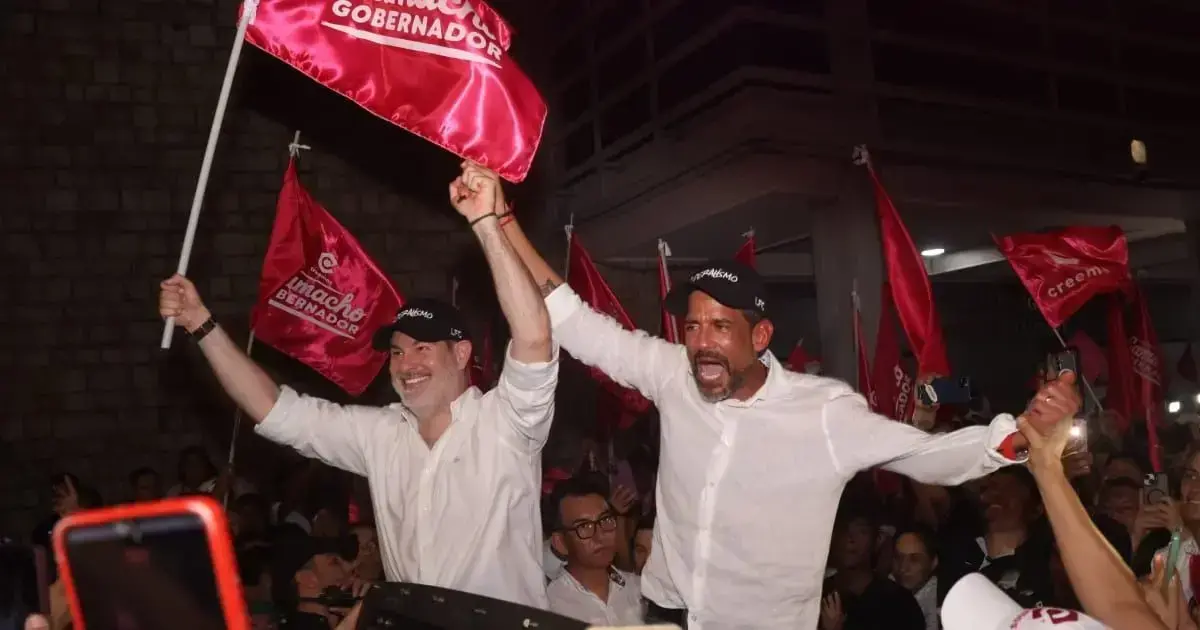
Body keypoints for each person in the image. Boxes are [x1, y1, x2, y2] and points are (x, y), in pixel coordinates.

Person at [494, 178, 1081, 627]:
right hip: (667, 614)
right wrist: (503, 223)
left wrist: (1021, 432)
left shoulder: (823, 411)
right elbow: (580, 325)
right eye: (694, 326)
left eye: (721, 327)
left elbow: (926, 454)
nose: (701, 343)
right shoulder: (673, 371)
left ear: (762, 337)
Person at [157, 162, 558, 608]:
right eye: (398, 352)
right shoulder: (379, 435)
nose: (407, 364)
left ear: (462, 354)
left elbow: (535, 335)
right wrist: (200, 323)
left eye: (424, 348)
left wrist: (485, 223)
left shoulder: (507, 422)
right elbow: (275, 409)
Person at [546, 476, 644, 625]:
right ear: (560, 542)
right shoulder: (550, 605)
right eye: (584, 527)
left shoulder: (639, 590)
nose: (600, 536)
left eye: (604, 520)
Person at [820, 505, 925, 630]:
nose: (851, 538)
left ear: (877, 539)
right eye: (843, 529)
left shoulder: (899, 603)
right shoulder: (816, 595)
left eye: (862, 531)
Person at [892, 527, 939, 630]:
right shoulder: (882, 592)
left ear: (933, 562)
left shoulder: (943, 602)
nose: (903, 568)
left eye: (914, 559)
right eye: (898, 558)